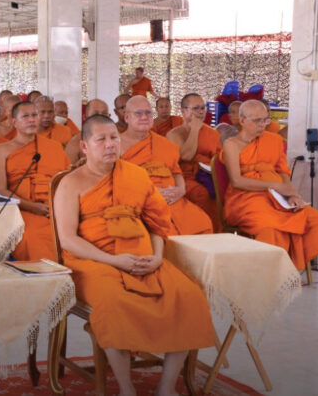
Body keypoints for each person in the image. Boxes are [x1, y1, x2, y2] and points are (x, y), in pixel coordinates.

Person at [54, 115, 215, 396]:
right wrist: (114, 261)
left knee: (190, 297)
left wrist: (157, 257)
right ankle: (127, 389)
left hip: (143, 258)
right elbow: (68, 239)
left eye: (114, 138)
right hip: (92, 262)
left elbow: (157, 224)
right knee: (113, 304)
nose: (109, 145)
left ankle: (166, 387)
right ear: (84, 146)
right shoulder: (71, 183)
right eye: (100, 139)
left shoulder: (136, 174)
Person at [222, 100, 318, 270]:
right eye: (257, 121)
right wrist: (274, 186)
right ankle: (270, 274)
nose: (263, 125)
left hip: (278, 197)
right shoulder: (232, 145)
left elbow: (282, 172)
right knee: (270, 230)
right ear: (243, 120)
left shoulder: (273, 140)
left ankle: (291, 266)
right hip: (246, 199)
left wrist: (292, 194)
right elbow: (237, 181)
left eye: (266, 120)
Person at [120, 96, 213, 235]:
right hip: (139, 201)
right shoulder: (115, 145)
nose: (144, 117)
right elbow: (114, 180)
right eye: (138, 113)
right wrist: (149, 193)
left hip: (171, 199)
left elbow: (175, 172)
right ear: (127, 117)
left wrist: (180, 190)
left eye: (148, 113)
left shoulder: (162, 143)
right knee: (166, 231)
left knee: (202, 223)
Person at [0, 101, 70, 261]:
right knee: (33, 237)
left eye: (34, 115)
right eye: (25, 116)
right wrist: (33, 207)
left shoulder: (53, 147)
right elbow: (0, 190)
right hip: (20, 209)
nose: (32, 120)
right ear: (14, 122)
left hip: (54, 208)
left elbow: (66, 180)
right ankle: (47, 279)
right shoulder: (2, 150)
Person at [167, 93, 222, 231]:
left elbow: (220, 159)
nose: (201, 112)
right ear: (183, 111)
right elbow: (186, 156)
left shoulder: (213, 134)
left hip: (209, 176)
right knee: (201, 193)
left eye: (203, 108)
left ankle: (219, 233)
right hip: (183, 178)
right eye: (196, 108)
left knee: (223, 191)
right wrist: (195, 130)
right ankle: (204, 231)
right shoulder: (174, 134)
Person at [65, 99, 109, 164]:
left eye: (104, 114)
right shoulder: (75, 143)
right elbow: (68, 171)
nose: (100, 117)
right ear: (85, 118)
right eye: (95, 114)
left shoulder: (117, 139)